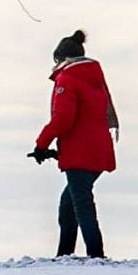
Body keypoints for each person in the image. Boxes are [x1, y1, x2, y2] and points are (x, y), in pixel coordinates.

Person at [30, 28, 119, 257]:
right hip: (98, 151)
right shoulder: (95, 79)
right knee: (68, 206)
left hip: (80, 153)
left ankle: (96, 254)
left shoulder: (67, 79)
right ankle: (65, 254)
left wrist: (41, 144)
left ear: (64, 59)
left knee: (82, 205)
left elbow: (63, 119)